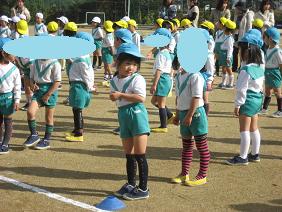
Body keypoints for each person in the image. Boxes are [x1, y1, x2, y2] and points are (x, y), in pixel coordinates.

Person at [110, 43, 150, 200]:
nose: (131, 67)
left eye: (134, 64)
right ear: (118, 63)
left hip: (137, 114)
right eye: (127, 63)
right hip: (123, 115)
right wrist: (116, 96)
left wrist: (119, 95)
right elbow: (115, 95)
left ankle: (144, 189)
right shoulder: (114, 79)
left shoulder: (137, 78)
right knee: (129, 154)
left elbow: (141, 98)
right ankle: (131, 184)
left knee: (140, 154)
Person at [226, 32, 264, 165]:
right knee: (254, 128)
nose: (239, 52)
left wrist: (238, 105)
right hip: (257, 99)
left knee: (244, 130)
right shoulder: (259, 66)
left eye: (241, 49)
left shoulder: (245, 70)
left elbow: (241, 89)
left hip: (247, 101)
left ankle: (243, 157)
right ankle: (255, 154)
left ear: (247, 51)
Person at [171, 66, 210, 186]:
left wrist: (189, 115)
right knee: (186, 146)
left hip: (196, 113)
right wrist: (177, 115)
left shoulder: (196, 76)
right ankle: (184, 173)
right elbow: (178, 98)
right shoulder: (178, 76)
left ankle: (202, 175)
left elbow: (196, 97)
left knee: (201, 146)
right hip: (183, 113)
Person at [23, 58, 61, 150]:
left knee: (48, 117)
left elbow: (57, 82)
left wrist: (48, 94)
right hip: (38, 91)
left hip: (50, 91)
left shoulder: (55, 63)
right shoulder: (35, 62)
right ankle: (34, 135)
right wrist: (32, 85)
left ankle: (46, 140)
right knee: (30, 111)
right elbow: (31, 78)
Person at [65, 32, 94, 142]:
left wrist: (90, 86)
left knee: (77, 109)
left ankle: (79, 133)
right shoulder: (82, 55)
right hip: (76, 85)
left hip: (79, 85)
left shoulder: (82, 57)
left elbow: (87, 74)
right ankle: (76, 129)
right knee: (75, 108)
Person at [0, 38, 21, 154]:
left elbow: (17, 86)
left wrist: (17, 100)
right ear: (3, 53)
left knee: (8, 121)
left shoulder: (14, 69)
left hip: (8, 98)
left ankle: (5, 143)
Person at [150, 28, 174, 133]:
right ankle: (170, 115)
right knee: (154, 101)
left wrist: (154, 84)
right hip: (166, 79)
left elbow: (159, 70)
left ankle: (163, 126)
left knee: (161, 104)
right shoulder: (166, 52)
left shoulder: (161, 54)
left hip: (162, 79)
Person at [260, 27, 282, 118]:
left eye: (265, 37)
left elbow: (281, 63)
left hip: (275, 72)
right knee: (268, 91)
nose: (263, 39)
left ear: (270, 39)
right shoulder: (268, 49)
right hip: (268, 72)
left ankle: (280, 110)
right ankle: (264, 109)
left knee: (277, 92)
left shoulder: (277, 50)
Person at [233, 1, 254, 72]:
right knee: (235, 52)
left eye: (238, 8)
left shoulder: (249, 14)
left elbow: (249, 27)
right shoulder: (237, 15)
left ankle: (242, 67)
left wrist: (247, 38)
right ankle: (235, 67)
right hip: (236, 35)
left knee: (243, 53)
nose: (237, 9)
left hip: (244, 37)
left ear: (242, 8)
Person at [218, 20, 236, 89]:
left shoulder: (230, 38)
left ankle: (231, 83)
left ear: (227, 29)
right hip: (223, 54)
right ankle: (224, 82)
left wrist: (228, 57)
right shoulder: (224, 35)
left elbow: (230, 49)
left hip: (227, 55)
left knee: (228, 68)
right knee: (223, 68)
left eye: (224, 27)